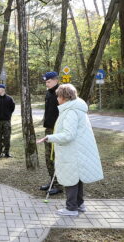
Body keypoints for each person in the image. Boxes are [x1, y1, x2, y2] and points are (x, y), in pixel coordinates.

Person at [37, 84, 104, 216]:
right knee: (76, 177)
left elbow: (69, 135)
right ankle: (79, 204)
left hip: (73, 150)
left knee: (71, 178)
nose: (57, 98)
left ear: (64, 97)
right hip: (77, 150)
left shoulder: (71, 111)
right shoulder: (75, 108)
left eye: (58, 96)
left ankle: (71, 208)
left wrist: (49, 137)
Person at [39, 71, 63, 195]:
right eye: (46, 82)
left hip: (57, 130)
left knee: (55, 157)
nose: (46, 84)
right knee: (48, 157)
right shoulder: (49, 93)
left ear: (56, 80)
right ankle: (52, 181)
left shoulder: (61, 92)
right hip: (49, 128)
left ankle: (59, 185)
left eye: (48, 82)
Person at [0, 84, 15, 158]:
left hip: (6, 121)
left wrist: (8, 115)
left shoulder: (9, 99)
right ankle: (0, 152)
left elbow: (12, 108)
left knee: (7, 137)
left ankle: (7, 152)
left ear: (2, 89)